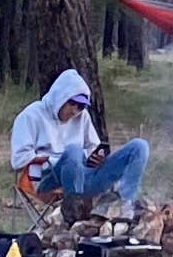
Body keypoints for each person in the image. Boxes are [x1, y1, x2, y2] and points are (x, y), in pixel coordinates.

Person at [10, 67, 147, 221]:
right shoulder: (31, 116)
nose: (76, 110)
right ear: (61, 97)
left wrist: (96, 157)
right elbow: (18, 159)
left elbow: (92, 147)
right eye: (73, 103)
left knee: (139, 146)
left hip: (84, 176)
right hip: (49, 180)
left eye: (81, 106)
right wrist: (56, 160)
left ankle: (126, 205)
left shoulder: (82, 116)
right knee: (74, 150)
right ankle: (75, 212)